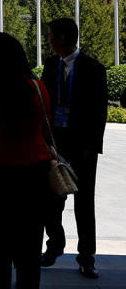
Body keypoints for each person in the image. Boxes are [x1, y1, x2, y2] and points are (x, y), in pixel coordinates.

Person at [0, 32, 53, 289]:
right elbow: (45, 128)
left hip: (0, 168)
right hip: (35, 169)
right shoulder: (37, 88)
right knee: (30, 240)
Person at [40, 18, 108, 279]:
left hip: (83, 147)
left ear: (64, 39)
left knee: (84, 202)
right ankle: (55, 244)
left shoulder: (93, 68)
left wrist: (92, 146)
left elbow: (99, 111)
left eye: (51, 36)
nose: (48, 41)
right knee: (51, 199)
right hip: (56, 144)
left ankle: (86, 256)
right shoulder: (50, 65)